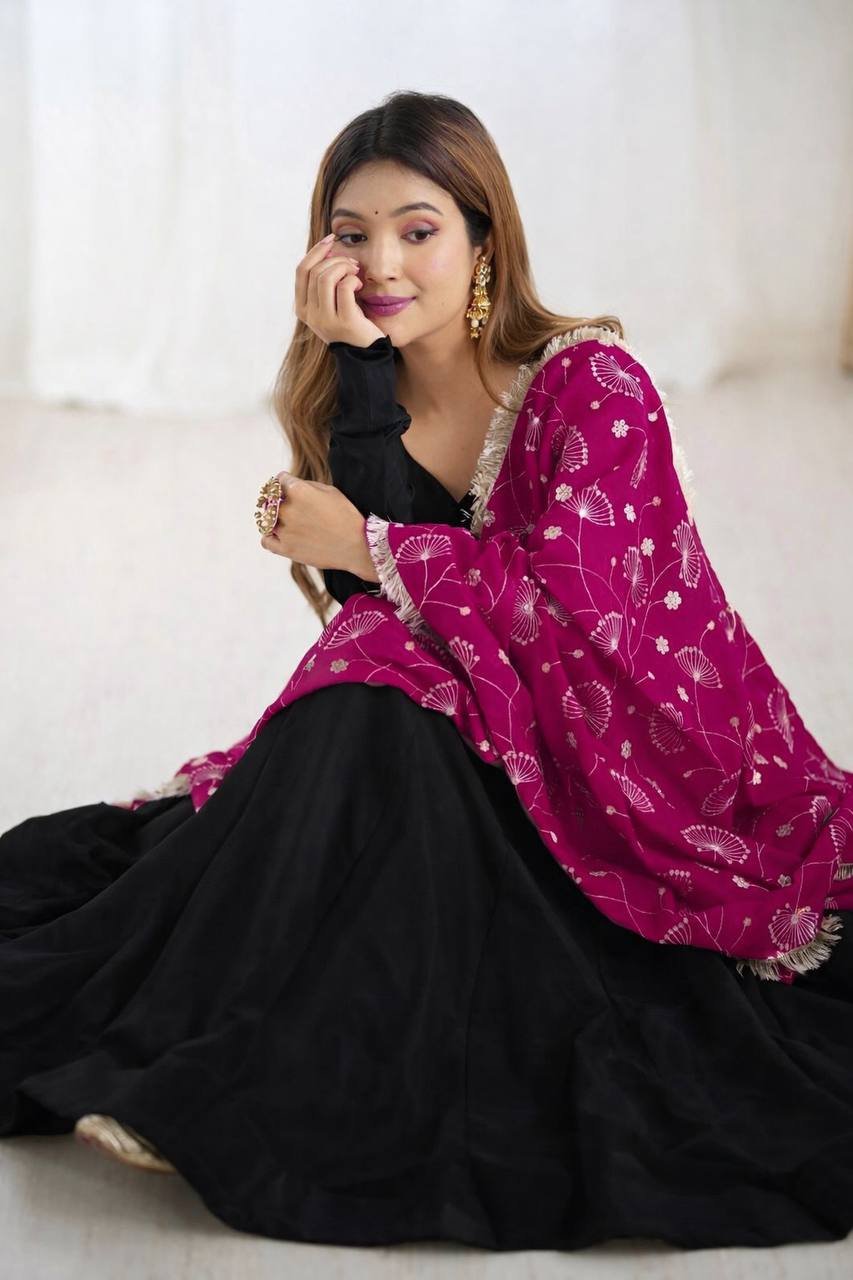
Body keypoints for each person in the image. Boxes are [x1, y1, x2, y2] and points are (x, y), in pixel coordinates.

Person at [3, 90, 853, 1254]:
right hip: (442, 744)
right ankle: (202, 1027)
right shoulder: (362, 383)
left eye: (417, 230)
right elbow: (376, 618)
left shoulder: (591, 387)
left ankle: (228, 1042)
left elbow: (585, 624)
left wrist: (367, 541)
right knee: (366, 689)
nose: (382, 264)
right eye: (350, 233)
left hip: (624, 767)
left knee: (370, 696)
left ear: (483, 240)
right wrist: (357, 383)